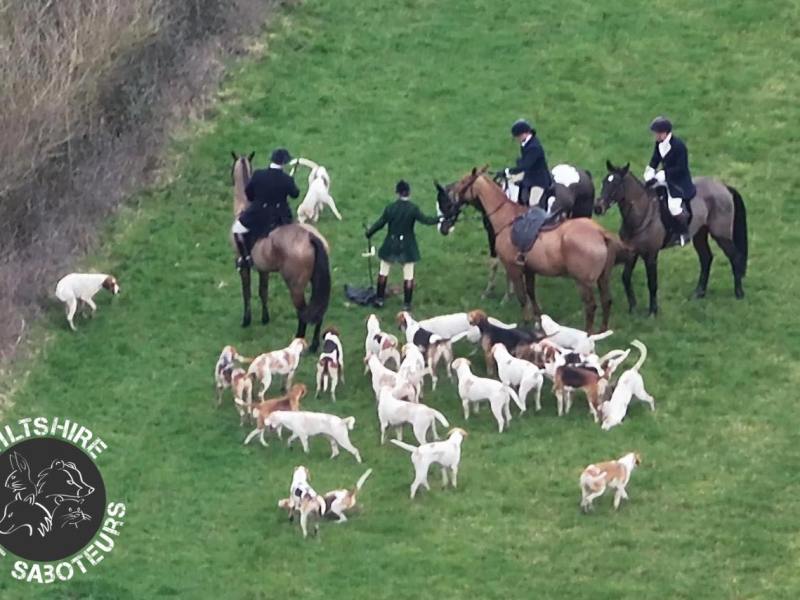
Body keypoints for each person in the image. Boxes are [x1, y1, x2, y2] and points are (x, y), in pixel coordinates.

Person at [365, 180, 440, 310]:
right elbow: (427, 220)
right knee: (408, 275)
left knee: (383, 272)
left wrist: (369, 233)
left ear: (397, 193)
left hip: (391, 244)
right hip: (408, 245)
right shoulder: (413, 209)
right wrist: (441, 218)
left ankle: (380, 299)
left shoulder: (390, 208)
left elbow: (380, 223)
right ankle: (407, 304)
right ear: (409, 193)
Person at [231, 148, 300, 268]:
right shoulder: (286, 179)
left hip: (259, 214)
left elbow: (249, 194)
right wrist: (290, 182)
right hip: (281, 217)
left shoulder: (258, 175)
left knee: (237, 229)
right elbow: (295, 194)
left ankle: (245, 258)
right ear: (284, 163)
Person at [643, 116, 696, 247]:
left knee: (674, 207)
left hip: (679, 182)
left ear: (664, 133)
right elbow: (655, 159)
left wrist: (662, 174)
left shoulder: (679, 146)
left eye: (656, 133)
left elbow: (681, 168)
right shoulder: (660, 144)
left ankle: (684, 233)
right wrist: (650, 171)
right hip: (665, 178)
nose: (655, 135)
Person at [501, 119, 553, 207]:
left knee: (533, 203)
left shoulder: (534, 147)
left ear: (524, 134)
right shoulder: (527, 143)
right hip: (529, 174)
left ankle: (540, 219)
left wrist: (507, 170)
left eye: (517, 137)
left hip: (538, 180)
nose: (517, 139)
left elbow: (525, 165)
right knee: (508, 182)